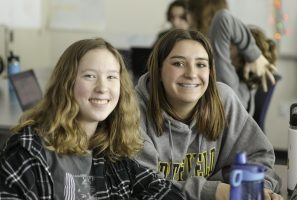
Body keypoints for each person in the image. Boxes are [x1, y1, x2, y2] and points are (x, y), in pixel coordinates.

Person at [0, 38, 185, 199]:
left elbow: (169, 192)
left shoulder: (111, 151)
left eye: (111, 77)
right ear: (67, 84)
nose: (102, 87)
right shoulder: (29, 150)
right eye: (89, 76)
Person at [135, 29, 282, 200]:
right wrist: (216, 191)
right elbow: (143, 183)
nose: (191, 74)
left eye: (201, 64)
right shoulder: (134, 111)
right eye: (178, 63)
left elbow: (260, 156)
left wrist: (257, 189)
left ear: (210, 71)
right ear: (159, 70)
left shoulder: (224, 100)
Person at [187, 0, 277, 114]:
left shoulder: (229, 84)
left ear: (242, 60)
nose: (226, 44)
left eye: (232, 43)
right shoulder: (241, 89)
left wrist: (255, 56)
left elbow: (222, 18)